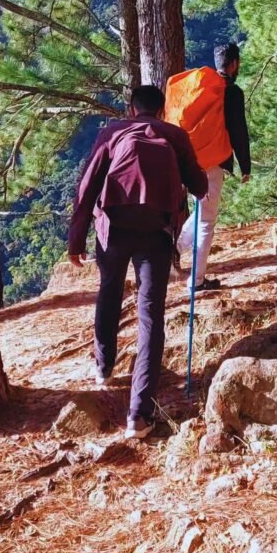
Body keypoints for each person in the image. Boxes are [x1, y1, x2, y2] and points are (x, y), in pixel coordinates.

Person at [68, 85, 207, 439]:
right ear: (161, 111)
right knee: (150, 316)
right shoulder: (174, 135)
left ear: (132, 108)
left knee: (109, 291)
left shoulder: (112, 133)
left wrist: (76, 238)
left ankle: (104, 367)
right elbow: (198, 184)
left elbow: (87, 186)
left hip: (113, 227)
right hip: (156, 232)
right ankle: (138, 416)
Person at [177, 42, 251, 291]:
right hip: (212, 162)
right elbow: (238, 131)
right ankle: (196, 281)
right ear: (234, 64)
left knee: (201, 210)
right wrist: (245, 165)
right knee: (207, 220)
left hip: (188, 161)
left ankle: (172, 252)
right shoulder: (232, 92)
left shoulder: (200, 87)